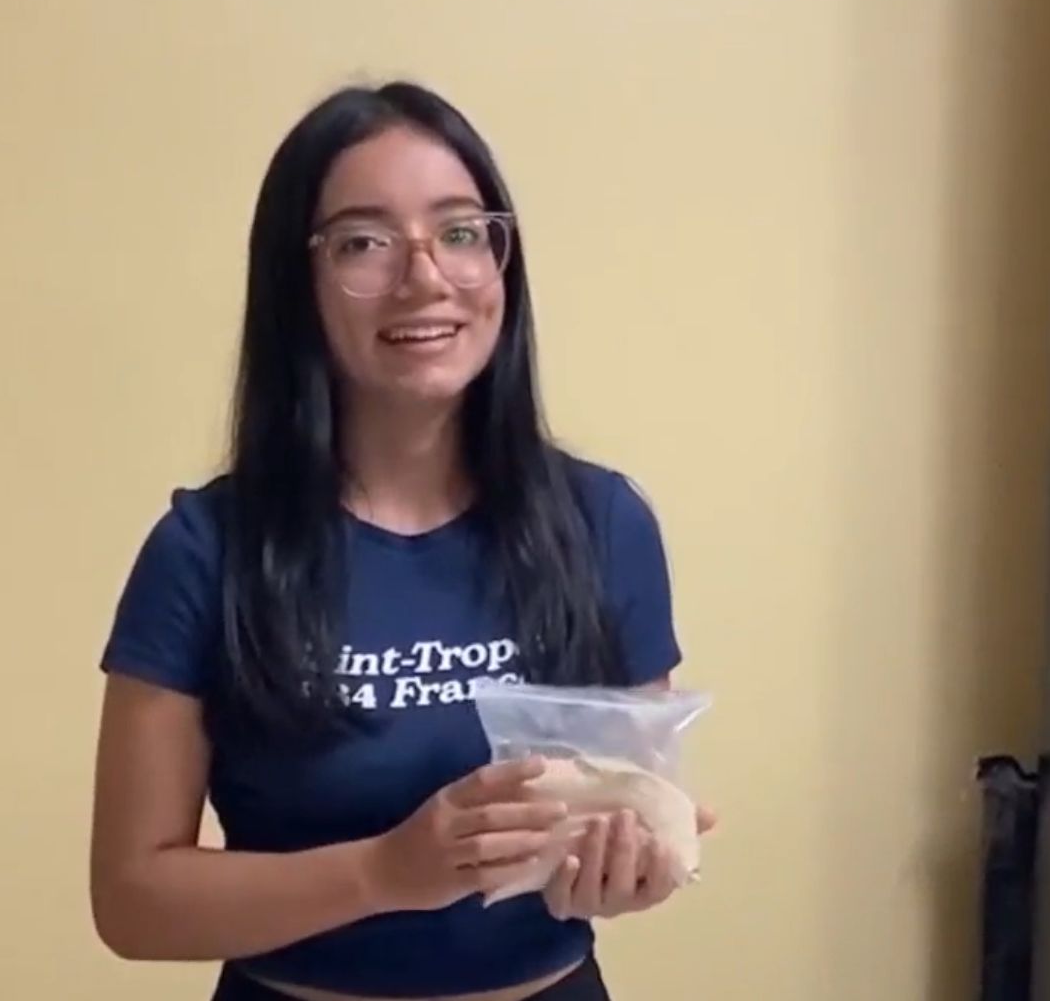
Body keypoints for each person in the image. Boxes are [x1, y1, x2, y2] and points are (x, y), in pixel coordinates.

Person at [88, 81, 709, 1001]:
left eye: (460, 232)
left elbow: (629, 804)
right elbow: (132, 902)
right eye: (364, 243)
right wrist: (384, 872)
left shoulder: (604, 523)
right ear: (297, 285)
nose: (425, 278)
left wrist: (634, 865)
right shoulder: (204, 549)